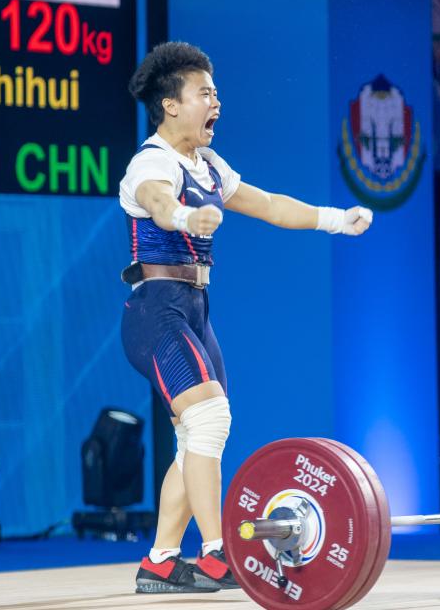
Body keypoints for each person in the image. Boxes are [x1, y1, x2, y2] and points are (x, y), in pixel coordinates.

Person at [119, 41, 372, 594]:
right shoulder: (152, 161)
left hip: (194, 310)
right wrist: (185, 216)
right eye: (204, 94)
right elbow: (158, 201)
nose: (216, 103)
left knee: (197, 438)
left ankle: (160, 562)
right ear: (170, 105)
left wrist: (336, 220)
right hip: (156, 310)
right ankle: (216, 554)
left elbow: (269, 204)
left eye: (216, 93)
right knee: (210, 420)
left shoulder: (208, 165)